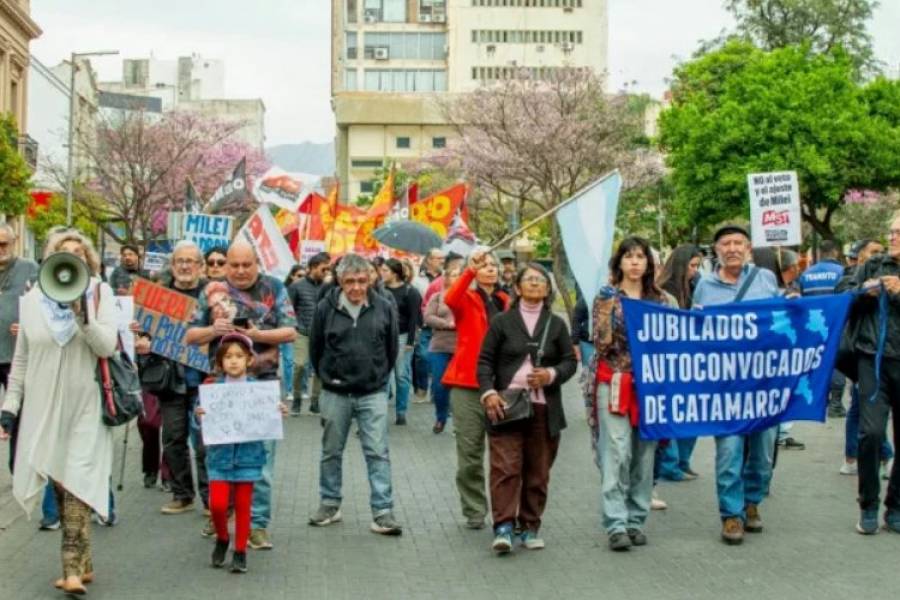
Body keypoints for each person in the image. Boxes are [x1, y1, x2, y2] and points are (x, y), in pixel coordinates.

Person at [0, 229, 117, 595]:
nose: (72, 258)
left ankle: (71, 569)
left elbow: (107, 347)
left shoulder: (100, 294)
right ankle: (85, 561)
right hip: (44, 407)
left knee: (78, 478)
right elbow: (21, 359)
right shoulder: (32, 302)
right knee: (60, 481)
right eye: (64, 252)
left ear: (88, 261)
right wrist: (9, 407)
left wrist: (83, 317)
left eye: (79, 253)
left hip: (86, 404)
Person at [185, 240, 297, 550]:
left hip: (262, 386)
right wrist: (214, 330)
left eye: (247, 265)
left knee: (261, 460)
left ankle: (258, 524)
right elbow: (190, 335)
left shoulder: (274, 287)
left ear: (257, 264)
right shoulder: (211, 291)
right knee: (218, 454)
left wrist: (256, 334)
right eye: (234, 265)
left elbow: (291, 331)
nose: (240, 271)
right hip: (220, 388)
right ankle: (221, 514)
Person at [478, 263, 576, 553]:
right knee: (505, 468)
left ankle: (530, 525)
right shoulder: (502, 322)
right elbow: (484, 361)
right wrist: (488, 393)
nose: (535, 283)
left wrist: (551, 374)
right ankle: (504, 526)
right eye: (529, 279)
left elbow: (570, 361)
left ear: (547, 289)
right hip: (506, 406)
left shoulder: (556, 324)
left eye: (540, 280)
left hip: (544, 409)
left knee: (538, 471)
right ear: (517, 288)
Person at [587, 237, 677, 551]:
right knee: (616, 451)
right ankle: (615, 523)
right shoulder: (607, 297)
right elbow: (601, 343)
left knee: (644, 453)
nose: (635, 262)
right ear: (619, 263)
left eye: (641, 256)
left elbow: (675, 340)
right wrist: (612, 312)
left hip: (651, 386)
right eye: (629, 256)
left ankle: (636, 520)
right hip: (614, 381)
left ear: (650, 263)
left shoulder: (664, 300)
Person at [693, 225, 780, 545]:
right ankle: (730, 514)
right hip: (726, 386)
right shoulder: (704, 286)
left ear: (748, 248)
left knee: (763, 453)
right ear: (716, 250)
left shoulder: (765, 279)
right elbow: (696, 332)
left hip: (764, 384)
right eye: (725, 244)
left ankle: (752, 502)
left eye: (737, 243)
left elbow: (781, 320)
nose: (731, 248)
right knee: (729, 451)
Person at [307, 253, 402, 535]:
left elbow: (391, 349)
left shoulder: (384, 307)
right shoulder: (325, 308)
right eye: (350, 281)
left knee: (377, 452)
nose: (356, 287)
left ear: (370, 279)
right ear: (340, 280)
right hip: (335, 392)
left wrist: (377, 376)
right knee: (331, 452)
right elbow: (315, 349)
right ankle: (330, 503)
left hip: (372, 392)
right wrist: (329, 377)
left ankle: (383, 511)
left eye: (362, 280)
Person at [197, 332, 286, 574]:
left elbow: (268, 419)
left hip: (248, 457)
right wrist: (200, 416)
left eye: (239, 356)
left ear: (249, 360)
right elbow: (200, 423)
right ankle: (223, 537)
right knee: (217, 505)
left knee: (244, 506)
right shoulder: (212, 389)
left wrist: (277, 411)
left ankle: (240, 551)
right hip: (220, 458)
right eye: (228, 357)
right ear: (220, 362)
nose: (234, 361)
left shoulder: (259, 390)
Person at [836, 213, 900, 535]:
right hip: (871, 358)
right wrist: (863, 292)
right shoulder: (873, 265)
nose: (892, 237)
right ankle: (869, 505)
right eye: (891, 231)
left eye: (899, 232)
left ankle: (896, 506)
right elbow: (843, 298)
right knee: (871, 433)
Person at [443, 249, 510, 529]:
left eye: (494, 265)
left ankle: (505, 510)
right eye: (484, 265)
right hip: (468, 384)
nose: (490, 269)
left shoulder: (507, 300)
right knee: (470, 452)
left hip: (502, 386)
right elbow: (450, 298)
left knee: (505, 455)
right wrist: (469, 269)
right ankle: (474, 509)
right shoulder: (466, 298)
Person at [145, 241, 212, 521]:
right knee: (173, 439)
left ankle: (210, 499)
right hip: (171, 379)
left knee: (205, 443)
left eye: (190, 261)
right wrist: (140, 337)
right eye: (180, 261)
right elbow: (146, 333)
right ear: (172, 266)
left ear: (200, 266)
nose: (185, 266)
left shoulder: (212, 294)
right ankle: (182, 494)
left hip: (204, 379)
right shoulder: (158, 296)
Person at [838, 239, 893, 476]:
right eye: (873, 252)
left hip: (887, 357)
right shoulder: (850, 278)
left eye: (881, 252)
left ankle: (858, 456)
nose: (879, 256)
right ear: (860, 256)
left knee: (860, 409)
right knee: (866, 413)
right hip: (862, 355)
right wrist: (863, 293)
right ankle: (879, 457)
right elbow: (843, 300)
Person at [654, 244, 704, 483]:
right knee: (674, 416)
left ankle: (683, 460)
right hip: (672, 362)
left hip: (691, 361)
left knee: (692, 415)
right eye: (692, 265)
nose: (695, 270)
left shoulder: (695, 286)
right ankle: (670, 464)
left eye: (698, 266)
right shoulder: (664, 292)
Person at [0, 223, 38, 475]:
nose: (0, 249)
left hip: (15, 355)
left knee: (19, 414)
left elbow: (42, 306)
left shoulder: (29, 268)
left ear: (13, 243)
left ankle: (18, 468)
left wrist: (27, 324)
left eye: (3, 244)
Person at [798, 240, 848, 418]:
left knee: (819, 361)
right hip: (837, 324)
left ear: (819, 253)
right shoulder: (842, 273)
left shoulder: (806, 274)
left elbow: (801, 301)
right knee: (837, 363)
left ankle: (821, 399)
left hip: (814, 325)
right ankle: (836, 403)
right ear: (835, 252)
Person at [380, 258, 423, 425]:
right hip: (383, 337)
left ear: (395, 273)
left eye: (385, 270)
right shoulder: (379, 290)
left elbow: (414, 318)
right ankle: (380, 411)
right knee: (383, 375)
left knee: (401, 375)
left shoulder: (410, 292)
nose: (382, 273)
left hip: (402, 336)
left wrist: (410, 342)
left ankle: (401, 411)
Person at [287, 252, 331, 416]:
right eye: (323, 269)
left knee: (320, 368)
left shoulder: (328, 287)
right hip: (302, 332)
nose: (326, 272)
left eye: (328, 269)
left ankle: (315, 401)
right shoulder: (296, 286)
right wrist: (292, 327)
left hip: (322, 334)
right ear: (313, 267)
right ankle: (297, 399)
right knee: (299, 365)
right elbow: (289, 310)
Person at [423, 264, 462, 434]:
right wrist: (446, 324)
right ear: (446, 278)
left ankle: (459, 423)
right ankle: (441, 417)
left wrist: (459, 324)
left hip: (461, 347)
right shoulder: (437, 297)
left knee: (459, 388)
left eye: (458, 275)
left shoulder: (468, 296)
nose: (456, 278)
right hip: (440, 345)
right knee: (439, 385)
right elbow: (428, 317)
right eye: (452, 275)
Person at [412, 248, 445, 399]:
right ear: (429, 260)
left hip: (442, 326)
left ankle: (435, 391)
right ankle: (422, 387)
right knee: (423, 357)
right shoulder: (417, 279)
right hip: (424, 325)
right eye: (438, 258)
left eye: (443, 258)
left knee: (438, 359)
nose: (442, 261)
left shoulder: (447, 278)